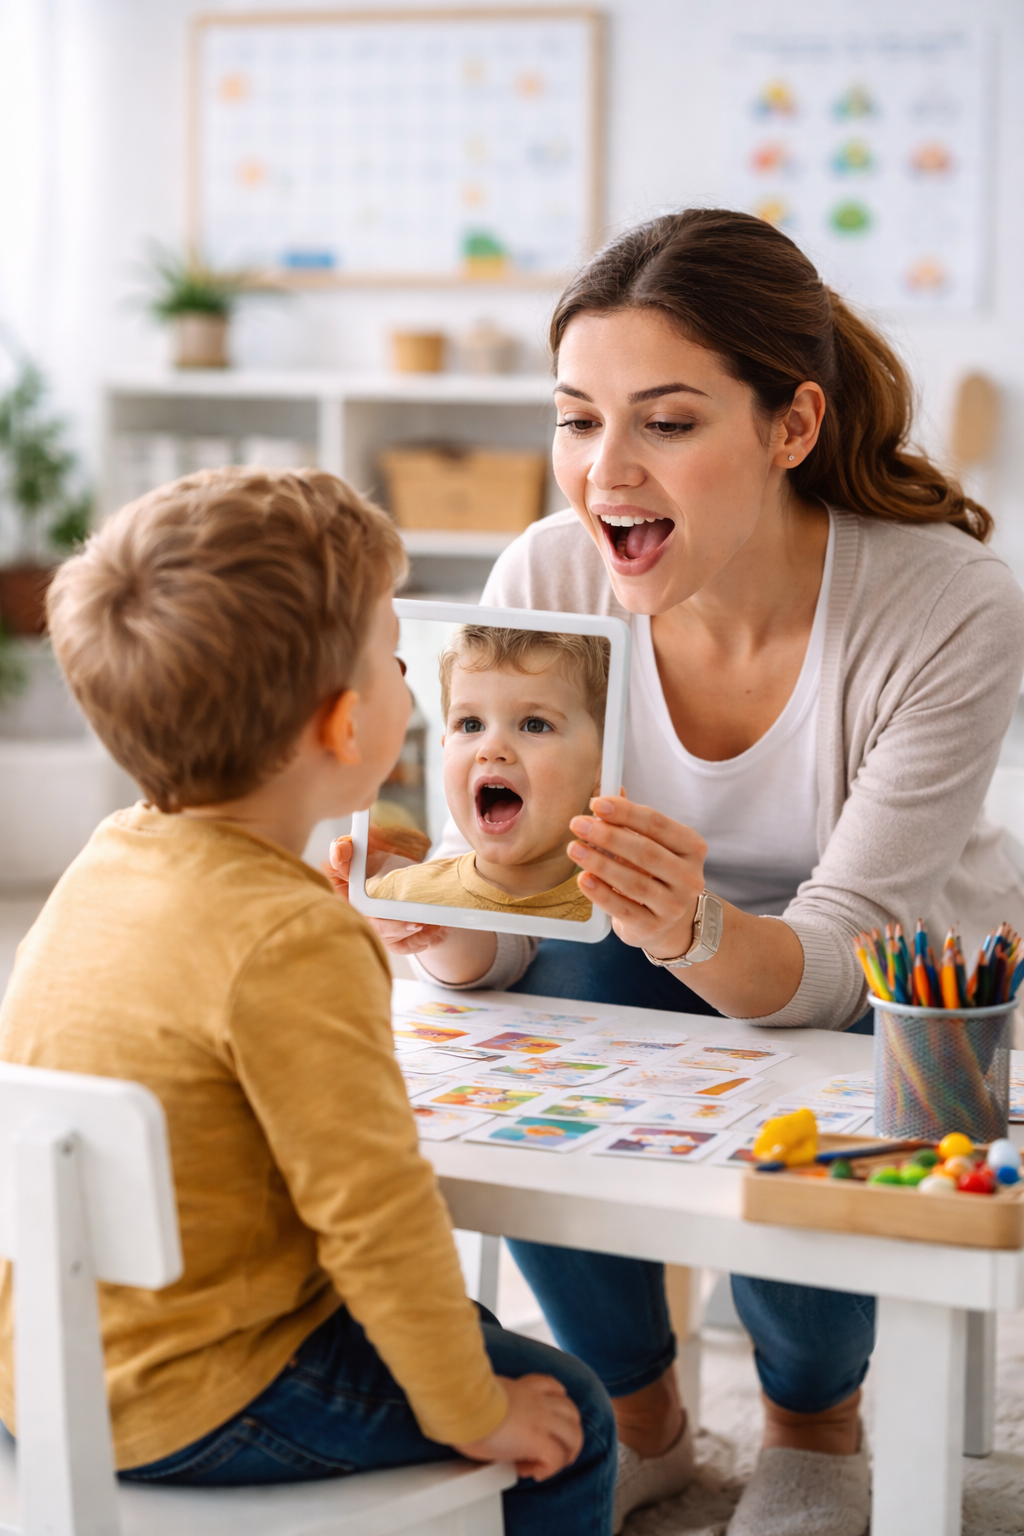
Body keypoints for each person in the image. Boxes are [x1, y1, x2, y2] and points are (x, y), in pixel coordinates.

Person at [352, 210, 1024, 1536]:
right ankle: (643, 1411)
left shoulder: (947, 605)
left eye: (665, 421)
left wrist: (700, 925)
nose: (605, 472)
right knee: (527, 1006)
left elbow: (841, 957)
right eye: (576, 418)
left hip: (888, 983)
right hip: (635, 949)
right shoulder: (547, 569)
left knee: (835, 1040)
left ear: (791, 425)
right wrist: (445, 919)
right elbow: (525, 920)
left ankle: (812, 1421)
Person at [0, 468, 617, 1535]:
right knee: (569, 1416)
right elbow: (378, 1220)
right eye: (392, 662)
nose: (412, 691)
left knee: (453, 1327)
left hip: (47, 1371)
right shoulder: (295, 939)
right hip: (207, 1395)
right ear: (344, 726)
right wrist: (477, 1410)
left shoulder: (104, 863)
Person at [367, 626, 606, 924]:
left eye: (534, 725)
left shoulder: (631, 907)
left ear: (604, 764)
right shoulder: (399, 900)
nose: (491, 749)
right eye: (470, 725)